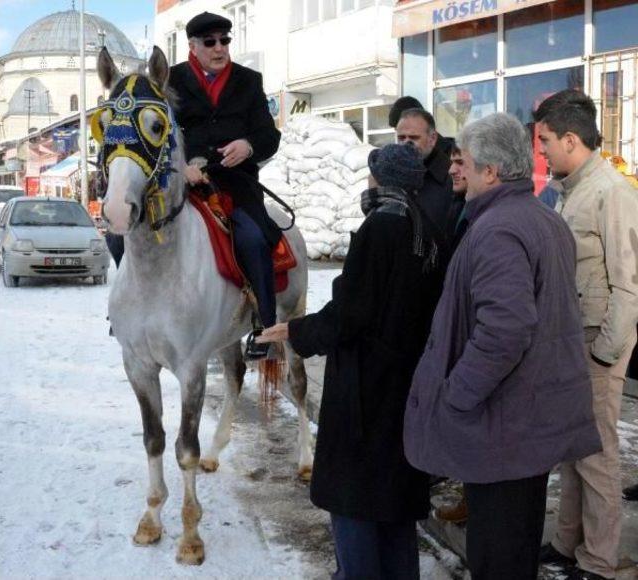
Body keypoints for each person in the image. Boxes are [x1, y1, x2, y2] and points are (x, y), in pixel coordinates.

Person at [403, 113, 602, 580]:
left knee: (499, 557)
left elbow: (505, 330)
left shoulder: (498, 230)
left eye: (462, 161)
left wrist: (457, 395)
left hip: (503, 426)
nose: (454, 169)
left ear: (490, 172)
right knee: (515, 548)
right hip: (526, 423)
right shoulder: (541, 219)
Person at [257, 143, 445, 579]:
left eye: (371, 174)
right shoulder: (427, 228)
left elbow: (352, 314)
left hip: (365, 393)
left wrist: (297, 330)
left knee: (354, 503)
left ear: (380, 180)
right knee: (395, 508)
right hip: (404, 387)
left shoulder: (381, 226)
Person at [534, 89, 638, 580]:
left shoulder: (611, 192)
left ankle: (600, 560)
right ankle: (567, 542)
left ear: (571, 139)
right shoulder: (570, 189)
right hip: (574, 337)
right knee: (572, 446)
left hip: (598, 339)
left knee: (596, 452)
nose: (542, 152)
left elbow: (629, 282)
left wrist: (605, 353)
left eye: (547, 141)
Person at [168, 11, 282, 359]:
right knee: (127, 230)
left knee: (253, 238)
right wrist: (182, 166)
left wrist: (248, 146)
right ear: (192, 46)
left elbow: (268, 135)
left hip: (236, 185)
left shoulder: (249, 80)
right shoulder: (170, 80)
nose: (219, 48)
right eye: (210, 42)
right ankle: (130, 308)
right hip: (186, 185)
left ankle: (265, 325)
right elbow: (162, 135)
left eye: (225, 40)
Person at [431, 141, 469, 526]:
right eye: (453, 161)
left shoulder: (485, 218)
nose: (454, 170)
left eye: (461, 163)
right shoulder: (458, 205)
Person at [396, 108, 453, 232]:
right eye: (401, 138)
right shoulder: (393, 176)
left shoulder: (453, 177)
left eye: (414, 137)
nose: (406, 143)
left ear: (432, 139)